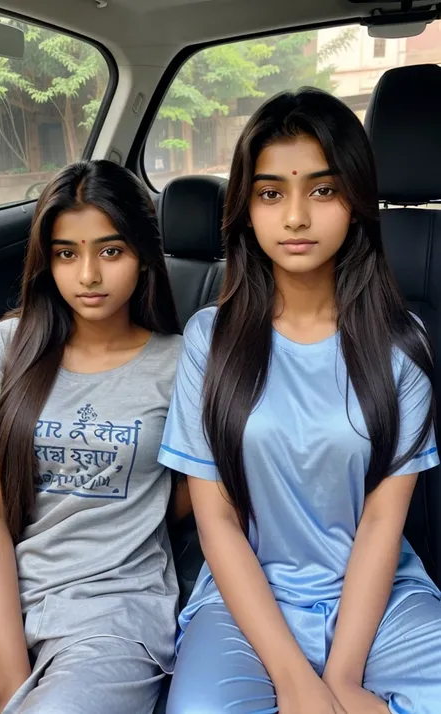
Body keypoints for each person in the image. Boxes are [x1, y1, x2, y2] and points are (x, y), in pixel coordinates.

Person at [158, 89, 441, 714]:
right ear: (246, 208)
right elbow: (218, 521)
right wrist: (293, 680)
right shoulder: (212, 339)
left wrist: (339, 681)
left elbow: (381, 522)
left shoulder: (402, 343)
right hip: (246, 602)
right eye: (270, 193)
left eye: (321, 189)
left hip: (378, 597)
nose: (294, 218)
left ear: (356, 200)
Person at [0, 160, 182, 714]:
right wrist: (13, 676)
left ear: (142, 256)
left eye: (110, 251)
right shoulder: (9, 346)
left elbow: (185, 500)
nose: (88, 275)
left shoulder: (179, 363)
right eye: (67, 253)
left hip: (114, 611)